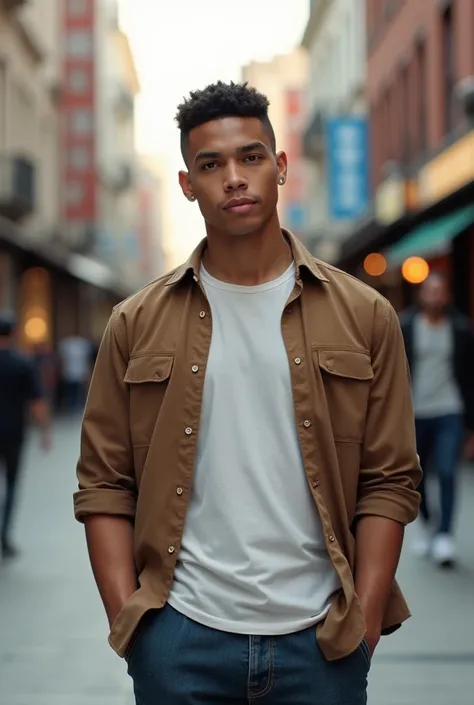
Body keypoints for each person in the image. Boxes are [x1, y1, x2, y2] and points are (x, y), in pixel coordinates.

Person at [74, 82, 421, 705]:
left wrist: (364, 622)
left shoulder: (365, 315)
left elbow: (390, 478)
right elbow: (104, 482)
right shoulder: (134, 323)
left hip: (322, 641)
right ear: (187, 183)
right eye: (211, 164)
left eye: (251, 157)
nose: (234, 178)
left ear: (281, 167)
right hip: (180, 640)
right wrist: (133, 627)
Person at [400, 272, 474, 567]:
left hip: (450, 410)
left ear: (448, 296)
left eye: (440, 291)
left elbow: (470, 378)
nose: (435, 296)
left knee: (446, 471)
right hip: (415, 413)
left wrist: (471, 426)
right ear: (421, 295)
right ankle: (428, 524)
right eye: (430, 291)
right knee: (418, 476)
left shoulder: (460, 329)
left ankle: (444, 535)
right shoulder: (405, 326)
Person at [0, 312, 51, 559]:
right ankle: (4, 537)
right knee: (10, 484)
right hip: (13, 432)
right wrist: (45, 432)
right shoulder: (22, 364)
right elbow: (37, 401)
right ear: (13, 333)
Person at [58, 333, 91, 414]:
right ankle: (71, 407)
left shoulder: (83, 345)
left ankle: (78, 406)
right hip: (70, 373)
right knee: (71, 391)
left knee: (79, 392)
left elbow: (86, 360)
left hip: (79, 372)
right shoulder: (67, 344)